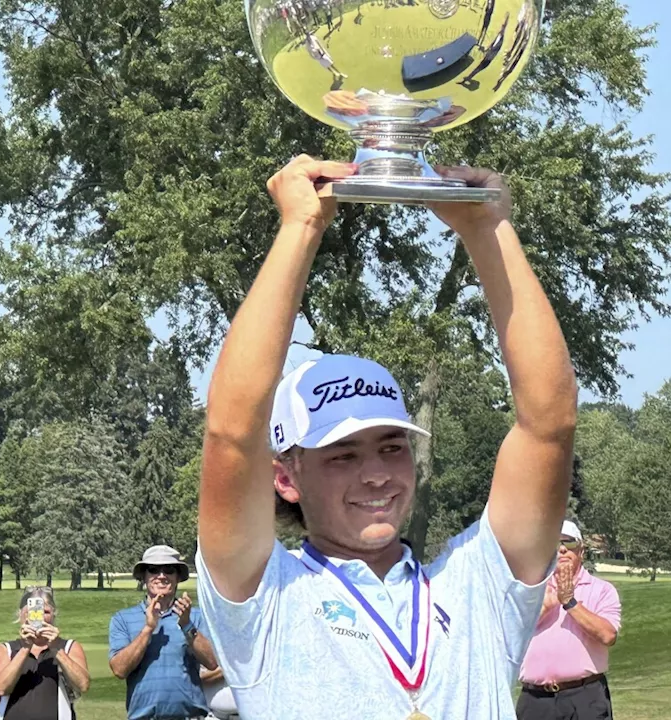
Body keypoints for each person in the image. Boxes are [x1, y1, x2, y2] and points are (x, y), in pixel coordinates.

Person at [194, 156, 577, 719]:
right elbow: (232, 432)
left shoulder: (476, 589)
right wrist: (301, 228)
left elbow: (549, 423)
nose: (375, 472)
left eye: (391, 447)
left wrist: (488, 227)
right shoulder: (264, 595)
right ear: (285, 476)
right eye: (342, 455)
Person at [518, 520, 621, 720]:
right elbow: (510, 634)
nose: (563, 549)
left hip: (584, 697)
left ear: (581, 551)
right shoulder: (528, 591)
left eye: (570, 543)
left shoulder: (602, 590)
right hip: (535, 700)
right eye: (555, 544)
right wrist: (546, 606)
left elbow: (608, 635)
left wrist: (570, 603)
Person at [110, 545, 218, 720]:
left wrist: (186, 625)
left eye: (168, 570)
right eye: (153, 570)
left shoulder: (195, 616)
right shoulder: (122, 619)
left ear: (177, 578)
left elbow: (211, 662)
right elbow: (119, 670)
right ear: (144, 577)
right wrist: (148, 628)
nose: (161, 576)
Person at [0, 587, 89, 720]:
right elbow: (2, 688)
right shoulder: (6, 649)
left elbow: (82, 685)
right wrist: (25, 648)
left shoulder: (68, 647)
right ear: (21, 615)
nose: (40, 617)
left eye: (46, 612)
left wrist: (56, 649)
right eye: (33, 612)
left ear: (54, 614)